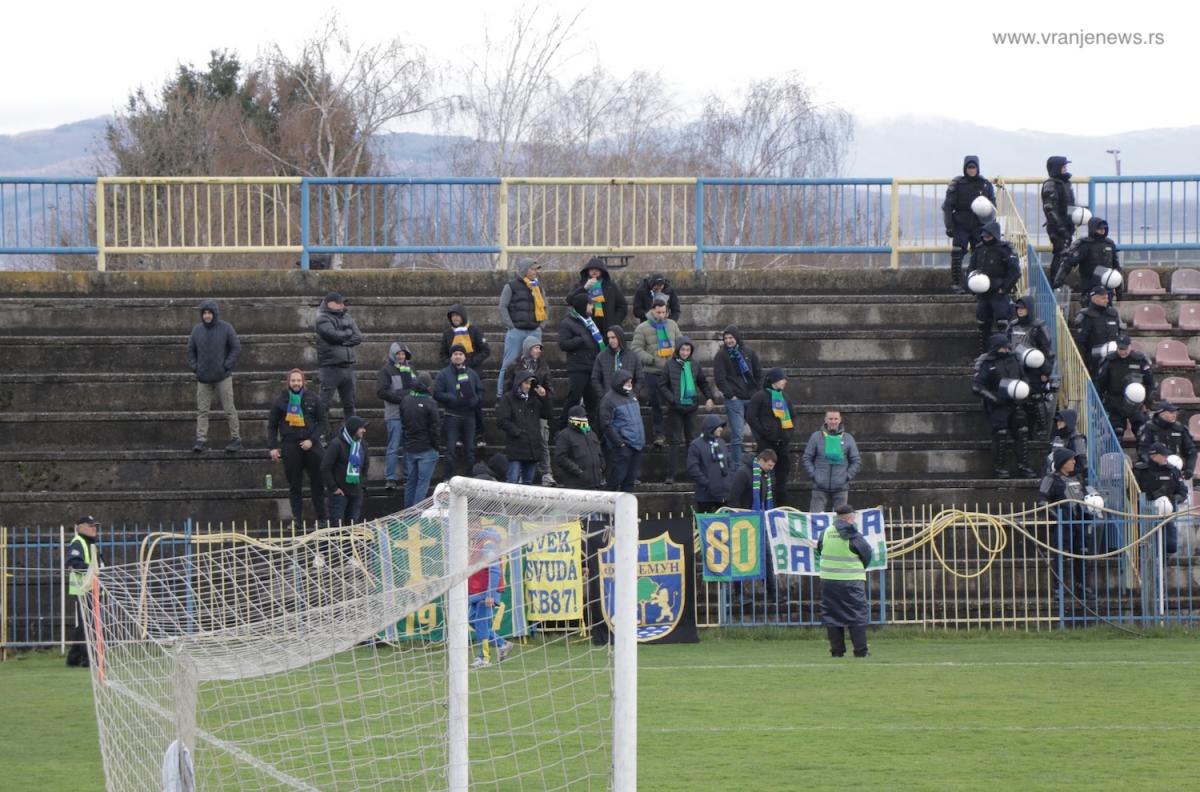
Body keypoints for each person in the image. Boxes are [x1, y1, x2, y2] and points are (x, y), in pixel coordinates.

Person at [267, 369, 329, 525]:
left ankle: (322, 518)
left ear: (303, 382)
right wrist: (273, 447)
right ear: (288, 382)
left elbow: (323, 422)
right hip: (290, 445)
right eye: (293, 380)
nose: (296, 383)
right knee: (294, 485)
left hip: (311, 444)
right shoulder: (280, 401)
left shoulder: (313, 398)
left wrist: (312, 440)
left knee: (318, 483)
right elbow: (272, 425)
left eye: (299, 380)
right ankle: (298, 519)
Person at [972, 334, 1035, 479]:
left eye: (1007, 347)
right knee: (1000, 434)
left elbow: (1024, 377)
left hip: (1016, 402)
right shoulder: (987, 362)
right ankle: (1000, 467)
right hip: (998, 405)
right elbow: (977, 386)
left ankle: (1023, 466)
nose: (1006, 350)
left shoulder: (1014, 359)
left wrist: (1024, 389)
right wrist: (994, 398)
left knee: (1021, 432)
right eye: (1002, 347)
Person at [817, 504, 873, 658]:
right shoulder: (853, 534)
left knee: (832, 616)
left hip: (828, 581)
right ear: (850, 518)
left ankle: (837, 651)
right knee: (856, 615)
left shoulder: (825, 532)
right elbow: (866, 553)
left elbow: (820, 549)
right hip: (851, 581)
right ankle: (861, 651)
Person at [1038, 448, 1095, 597]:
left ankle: (1082, 586)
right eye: (1071, 459)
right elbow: (1042, 501)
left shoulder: (1078, 478)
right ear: (1062, 462)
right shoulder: (1050, 478)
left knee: (1082, 553)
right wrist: (1057, 516)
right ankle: (1059, 588)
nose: (1074, 462)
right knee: (1061, 554)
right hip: (1063, 522)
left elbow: (1086, 496)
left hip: (1080, 520)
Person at [187, 299, 243, 453]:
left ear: (215, 313)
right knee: (202, 411)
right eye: (204, 313)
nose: (207, 315)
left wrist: (226, 366)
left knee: (229, 408)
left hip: (223, 377)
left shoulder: (226, 328)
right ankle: (201, 440)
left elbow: (236, 347)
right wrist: (196, 368)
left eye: (209, 312)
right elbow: (190, 351)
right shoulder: (196, 330)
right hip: (203, 378)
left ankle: (236, 439)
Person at [659, 337, 715, 484]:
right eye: (683, 350)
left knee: (692, 440)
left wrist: (710, 397)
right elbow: (662, 385)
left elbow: (703, 383)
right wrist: (672, 399)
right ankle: (671, 475)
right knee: (675, 441)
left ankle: (694, 473)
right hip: (675, 408)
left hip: (691, 407)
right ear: (678, 350)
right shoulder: (669, 365)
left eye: (688, 350)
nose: (685, 353)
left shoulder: (695, 365)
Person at [727, 448, 780, 602]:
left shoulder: (764, 475)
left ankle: (772, 592)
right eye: (769, 465)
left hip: (758, 522)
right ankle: (738, 593)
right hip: (742, 522)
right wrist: (737, 518)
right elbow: (734, 498)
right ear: (761, 460)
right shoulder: (743, 473)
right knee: (740, 558)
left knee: (766, 557)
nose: (770, 469)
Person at [502, 336, 556, 486]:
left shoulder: (543, 366)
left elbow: (550, 389)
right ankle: (519, 473)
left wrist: (544, 394)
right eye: (535, 347)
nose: (538, 351)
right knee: (519, 438)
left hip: (537, 406)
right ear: (527, 348)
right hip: (519, 407)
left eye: (539, 348)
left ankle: (546, 472)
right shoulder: (514, 366)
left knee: (542, 440)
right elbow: (507, 387)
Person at [942, 155, 997, 294]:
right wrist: (949, 225)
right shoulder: (957, 184)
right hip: (961, 224)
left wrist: (991, 228)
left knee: (981, 254)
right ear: (965, 169)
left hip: (980, 224)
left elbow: (992, 206)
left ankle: (978, 284)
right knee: (957, 253)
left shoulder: (985, 184)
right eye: (969, 167)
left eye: (974, 167)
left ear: (978, 168)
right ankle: (956, 283)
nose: (971, 170)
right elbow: (948, 206)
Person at [440, 304, 491, 450]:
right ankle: (458, 437)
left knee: (475, 405)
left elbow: (485, 350)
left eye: (457, 315)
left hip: (472, 373)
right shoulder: (448, 334)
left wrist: (470, 363)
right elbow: (443, 354)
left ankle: (480, 435)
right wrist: (451, 364)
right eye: (452, 316)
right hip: (454, 374)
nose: (455, 318)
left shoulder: (474, 330)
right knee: (456, 405)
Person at [632, 296, 681, 447]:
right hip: (652, 372)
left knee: (674, 404)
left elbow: (681, 343)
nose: (661, 315)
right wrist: (650, 359)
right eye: (658, 312)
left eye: (664, 312)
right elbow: (636, 348)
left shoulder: (672, 325)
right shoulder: (642, 328)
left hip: (671, 371)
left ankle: (675, 434)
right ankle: (659, 435)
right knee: (656, 405)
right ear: (652, 311)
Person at [712, 325, 763, 467]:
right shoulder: (721, 355)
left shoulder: (749, 353)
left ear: (737, 338)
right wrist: (731, 395)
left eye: (731, 337)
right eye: (726, 338)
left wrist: (758, 392)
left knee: (759, 433)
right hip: (735, 400)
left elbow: (759, 373)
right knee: (737, 436)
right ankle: (736, 467)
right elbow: (720, 379)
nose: (728, 340)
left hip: (752, 398)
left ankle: (762, 464)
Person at [497, 258, 548, 399]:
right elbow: (502, 306)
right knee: (508, 363)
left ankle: (532, 395)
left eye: (536, 269)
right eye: (533, 269)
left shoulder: (539, 287)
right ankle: (501, 395)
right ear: (525, 270)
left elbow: (545, 306)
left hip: (534, 330)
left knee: (534, 364)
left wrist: (541, 324)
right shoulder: (511, 286)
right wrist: (510, 326)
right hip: (516, 331)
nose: (535, 272)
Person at [968, 221, 1021, 354]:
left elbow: (1014, 271)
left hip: (999, 292)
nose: (986, 238)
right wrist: (971, 286)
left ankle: (1006, 353)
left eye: (989, 236)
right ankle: (985, 354)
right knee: (982, 323)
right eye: (984, 236)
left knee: (1003, 322)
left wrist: (1004, 288)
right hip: (982, 292)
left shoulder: (1005, 249)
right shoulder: (979, 249)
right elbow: (971, 269)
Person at [1008, 297, 1056, 438]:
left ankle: (1041, 430)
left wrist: (1046, 371)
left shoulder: (1038, 326)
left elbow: (1047, 351)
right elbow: (1008, 344)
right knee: (1018, 399)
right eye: (1018, 308)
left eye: (1022, 308)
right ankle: (1021, 431)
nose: (1020, 311)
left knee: (1036, 398)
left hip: (1035, 368)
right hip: (1017, 367)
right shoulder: (1012, 325)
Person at [747, 368, 796, 506]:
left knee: (782, 481)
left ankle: (781, 508)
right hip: (766, 444)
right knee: (762, 479)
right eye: (782, 379)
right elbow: (751, 417)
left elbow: (793, 417)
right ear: (774, 380)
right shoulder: (760, 396)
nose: (785, 381)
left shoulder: (785, 397)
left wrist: (788, 434)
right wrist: (763, 432)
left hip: (783, 444)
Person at [496, 370, 553, 485]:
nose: (528, 386)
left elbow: (548, 414)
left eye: (530, 383)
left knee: (528, 483)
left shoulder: (535, 399)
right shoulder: (508, 398)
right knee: (512, 480)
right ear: (519, 382)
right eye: (526, 383)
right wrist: (517, 432)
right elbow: (502, 420)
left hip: (532, 449)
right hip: (516, 447)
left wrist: (544, 397)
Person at [558, 292, 606, 428]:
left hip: (592, 367)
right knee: (573, 399)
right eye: (590, 304)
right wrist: (580, 340)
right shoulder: (567, 323)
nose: (592, 307)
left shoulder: (590, 322)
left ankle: (591, 431)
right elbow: (563, 344)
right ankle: (562, 428)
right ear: (583, 305)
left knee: (593, 402)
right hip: (578, 368)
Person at [434, 345, 483, 478]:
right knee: (450, 449)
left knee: (470, 450)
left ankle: (469, 478)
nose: (458, 356)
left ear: (465, 357)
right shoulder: (443, 374)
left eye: (460, 354)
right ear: (451, 357)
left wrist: (476, 400)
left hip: (469, 416)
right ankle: (447, 479)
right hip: (452, 416)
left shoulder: (472, 374)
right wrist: (450, 398)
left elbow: (480, 391)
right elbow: (437, 393)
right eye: (455, 354)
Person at [467, 525, 512, 668]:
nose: (467, 530)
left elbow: (495, 569)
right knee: (472, 621)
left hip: (485, 593)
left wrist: (490, 594)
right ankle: (502, 644)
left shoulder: (488, 543)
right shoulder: (478, 544)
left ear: (476, 527)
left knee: (481, 622)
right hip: (477, 592)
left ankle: (484, 658)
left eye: (469, 526)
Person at [802, 410, 863, 512]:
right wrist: (815, 475)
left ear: (840, 420)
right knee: (815, 519)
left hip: (841, 488)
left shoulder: (848, 438)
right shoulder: (816, 437)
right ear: (825, 420)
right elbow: (807, 458)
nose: (833, 421)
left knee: (842, 520)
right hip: (819, 487)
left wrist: (846, 476)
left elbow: (856, 461)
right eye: (830, 419)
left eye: (836, 419)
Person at [314, 292, 362, 420]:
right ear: (329, 303)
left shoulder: (347, 317)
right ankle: (320, 431)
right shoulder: (322, 319)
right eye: (339, 302)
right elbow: (333, 335)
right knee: (324, 404)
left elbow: (358, 337)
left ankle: (351, 431)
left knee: (350, 405)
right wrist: (348, 333)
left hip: (348, 367)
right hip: (330, 368)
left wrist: (342, 341)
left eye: (343, 303)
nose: (342, 305)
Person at [1135, 443, 1189, 556]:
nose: (1166, 457)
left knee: (1170, 546)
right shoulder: (1140, 470)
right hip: (1146, 515)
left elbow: (1182, 492)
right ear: (1154, 456)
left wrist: (1171, 499)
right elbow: (1132, 492)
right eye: (1163, 455)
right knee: (1148, 548)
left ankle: (1164, 563)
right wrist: (1150, 498)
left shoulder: (1173, 470)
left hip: (1167, 514)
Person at [1095, 335, 1154, 437]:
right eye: (1120, 349)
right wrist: (1099, 403)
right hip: (1115, 402)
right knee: (1116, 432)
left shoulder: (1139, 360)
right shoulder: (1109, 361)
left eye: (1125, 349)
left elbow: (1150, 383)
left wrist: (1147, 403)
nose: (1123, 352)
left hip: (1136, 403)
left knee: (1142, 431)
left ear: (1130, 346)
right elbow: (1100, 384)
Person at [376, 341, 415, 491]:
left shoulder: (410, 369)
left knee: (408, 448)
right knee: (393, 447)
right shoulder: (385, 370)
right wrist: (404, 397)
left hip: (409, 414)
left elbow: (416, 387)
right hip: (394, 415)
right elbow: (382, 392)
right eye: (398, 354)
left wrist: (404, 396)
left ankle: (407, 476)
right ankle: (390, 478)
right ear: (393, 355)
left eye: (403, 354)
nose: (401, 356)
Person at [598, 369, 645, 492]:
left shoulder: (632, 395)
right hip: (622, 448)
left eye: (631, 381)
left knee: (629, 482)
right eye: (627, 382)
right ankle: (609, 505)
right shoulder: (608, 400)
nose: (630, 384)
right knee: (615, 480)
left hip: (636, 446)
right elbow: (606, 425)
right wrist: (620, 443)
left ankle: (626, 505)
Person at [1054, 217, 1121, 301]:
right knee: (1091, 306)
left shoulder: (1109, 243)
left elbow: (1116, 267)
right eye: (1099, 228)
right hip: (1090, 285)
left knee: (1107, 305)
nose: (1102, 230)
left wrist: (1119, 292)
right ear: (1093, 228)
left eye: (1104, 228)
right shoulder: (1085, 244)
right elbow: (1068, 262)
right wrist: (1058, 281)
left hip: (1107, 285)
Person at [65, 515, 102, 667]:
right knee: (88, 624)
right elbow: (73, 562)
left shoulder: (90, 543)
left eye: (95, 526)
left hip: (92, 588)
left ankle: (73, 658)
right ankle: (88, 659)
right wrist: (92, 571)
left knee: (86, 624)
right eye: (90, 526)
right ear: (80, 527)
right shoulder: (78, 542)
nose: (94, 529)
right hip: (84, 589)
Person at [400, 372, 440, 508]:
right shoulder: (430, 402)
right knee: (422, 483)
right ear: (429, 386)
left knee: (411, 482)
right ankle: (417, 513)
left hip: (410, 447)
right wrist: (436, 446)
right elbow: (434, 428)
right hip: (426, 448)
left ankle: (407, 513)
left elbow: (403, 423)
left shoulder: (405, 400)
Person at [321, 416, 370, 525]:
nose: (364, 430)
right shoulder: (336, 444)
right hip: (340, 493)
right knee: (336, 526)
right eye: (361, 428)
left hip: (356, 491)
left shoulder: (362, 444)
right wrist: (334, 488)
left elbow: (365, 465)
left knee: (353, 525)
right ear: (353, 428)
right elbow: (325, 467)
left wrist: (362, 484)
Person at [1071, 286, 1124, 378]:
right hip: (1094, 360)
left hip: (1113, 359)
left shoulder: (1113, 313)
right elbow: (1080, 342)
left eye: (1107, 298)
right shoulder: (1086, 316)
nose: (1106, 300)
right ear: (1094, 298)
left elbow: (1120, 334)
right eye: (1103, 298)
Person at [567, 257, 628, 334]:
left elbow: (622, 306)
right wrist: (584, 288)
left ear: (602, 271)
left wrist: (614, 322)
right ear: (587, 271)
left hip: (607, 328)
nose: (594, 271)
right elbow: (569, 300)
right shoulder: (580, 285)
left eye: (597, 269)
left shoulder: (611, 286)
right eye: (591, 269)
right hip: (586, 327)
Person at [1042, 155, 1077, 284]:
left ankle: (1059, 282)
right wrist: (1061, 228)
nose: (1065, 168)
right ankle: (1055, 283)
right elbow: (1050, 209)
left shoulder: (1066, 183)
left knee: (1065, 254)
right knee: (1061, 253)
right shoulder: (1051, 184)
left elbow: (1070, 205)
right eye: (1063, 166)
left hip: (1067, 225)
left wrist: (1075, 219)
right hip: (1057, 227)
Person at [554, 405, 606, 490]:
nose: (584, 419)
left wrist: (601, 467)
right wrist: (579, 471)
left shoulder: (591, 434)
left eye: (584, 416)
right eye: (581, 417)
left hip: (595, 483)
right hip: (575, 484)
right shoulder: (565, 435)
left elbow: (599, 453)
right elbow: (561, 457)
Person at [687, 415, 733, 513]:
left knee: (724, 521)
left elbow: (729, 462)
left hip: (724, 494)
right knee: (704, 522)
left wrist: (729, 480)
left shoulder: (722, 443)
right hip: (705, 496)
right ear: (711, 427)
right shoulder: (696, 445)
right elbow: (692, 468)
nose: (721, 429)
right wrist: (707, 483)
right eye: (719, 426)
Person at [1137, 402, 1197, 475]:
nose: (1174, 415)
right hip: (1154, 471)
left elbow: (1191, 450)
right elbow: (1143, 451)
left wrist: (1189, 469)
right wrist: (1153, 464)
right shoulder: (1149, 428)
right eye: (1171, 412)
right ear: (1162, 414)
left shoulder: (1179, 429)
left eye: (1175, 413)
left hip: (1176, 468)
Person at [591, 326, 643, 409]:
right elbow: (595, 379)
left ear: (620, 337)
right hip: (608, 401)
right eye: (609, 338)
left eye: (613, 337)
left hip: (628, 401)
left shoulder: (632, 356)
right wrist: (603, 395)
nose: (610, 341)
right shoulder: (601, 356)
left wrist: (633, 394)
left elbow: (640, 378)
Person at [1046, 409, 1088, 480]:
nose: (1058, 423)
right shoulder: (1057, 437)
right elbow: (1050, 456)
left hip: (1071, 478)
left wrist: (1067, 473)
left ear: (1069, 421)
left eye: (1061, 421)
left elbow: (1081, 463)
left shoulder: (1077, 439)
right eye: (1057, 421)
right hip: (1054, 475)